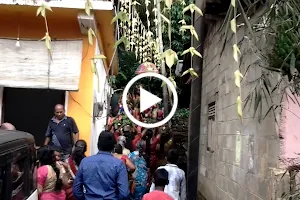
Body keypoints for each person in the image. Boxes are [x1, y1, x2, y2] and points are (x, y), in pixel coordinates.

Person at [72, 131, 129, 200]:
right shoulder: (119, 164)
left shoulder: (85, 162)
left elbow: (76, 189)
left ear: (98, 145)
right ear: (114, 146)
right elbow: (124, 193)